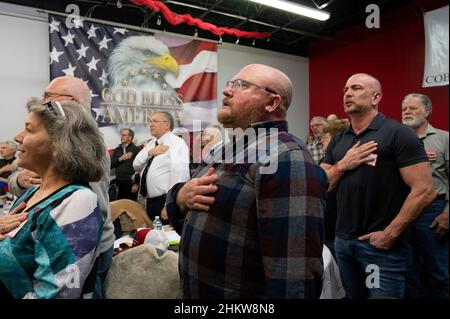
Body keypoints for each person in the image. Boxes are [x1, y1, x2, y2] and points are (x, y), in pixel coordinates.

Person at [165, 64, 328, 298]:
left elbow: (293, 275)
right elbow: (193, 217)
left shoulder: (285, 157)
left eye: (241, 85)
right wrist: (181, 196)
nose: (227, 90)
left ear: (271, 103)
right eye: (230, 83)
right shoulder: (224, 150)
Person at [320, 73, 436, 299]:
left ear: (376, 97)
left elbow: (425, 191)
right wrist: (343, 165)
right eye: (345, 90)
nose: (348, 93)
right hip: (343, 243)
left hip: (378, 248)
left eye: (356, 88)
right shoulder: (339, 138)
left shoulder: (398, 134)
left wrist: (390, 234)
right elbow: (323, 184)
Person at [7, 76, 115, 299]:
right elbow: (17, 179)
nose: (18, 138)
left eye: (49, 97)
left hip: (82, 248)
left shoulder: (77, 198)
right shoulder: (36, 190)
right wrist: (21, 180)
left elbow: (83, 210)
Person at [401, 93, 449, 299]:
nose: (407, 112)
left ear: (427, 111)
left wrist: (448, 214)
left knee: (438, 272)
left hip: (434, 212)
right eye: (404, 109)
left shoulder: (444, 138)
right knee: (409, 272)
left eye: (412, 108)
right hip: (403, 210)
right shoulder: (397, 140)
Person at [133, 111, 190, 224]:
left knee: (166, 238)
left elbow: (179, 175)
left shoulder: (177, 143)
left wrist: (169, 205)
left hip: (164, 202)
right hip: (148, 202)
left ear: (167, 125)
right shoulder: (152, 143)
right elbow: (136, 165)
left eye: (155, 121)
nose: (151, 124)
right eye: (150, 121)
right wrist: (150, 152)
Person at [320, 119, 350, 258]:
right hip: (326, 228)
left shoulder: (350, 164)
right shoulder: (325, 160)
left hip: (337, 231)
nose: (321, 141)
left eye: (326, 138)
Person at [110, 128, 141, 201]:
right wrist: (120, 159)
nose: (121, 137)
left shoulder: (136, 150)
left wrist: (136, 183)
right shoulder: (117, 150)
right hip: (118, 182)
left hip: (130, 183)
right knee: (117, 207)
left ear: (130, 137)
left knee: (130, 207)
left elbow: (140, 168)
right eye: (121, 135)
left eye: (124, 135)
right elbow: (110, 165)